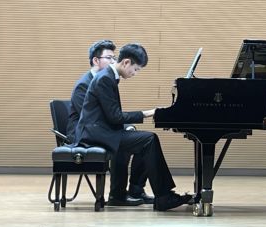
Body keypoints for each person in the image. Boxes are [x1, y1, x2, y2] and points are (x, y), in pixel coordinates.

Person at [75, 42, 191, 212]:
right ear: (126, 62)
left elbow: (112, 115)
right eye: (135, 69)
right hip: (96, 134)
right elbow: (115, 117)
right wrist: (149, 113)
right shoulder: (105, 78)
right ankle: (164, 196)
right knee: (149, 140)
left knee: (144, 140)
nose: (134, 73)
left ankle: (142, 192)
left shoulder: (108, 76)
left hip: (102, 130)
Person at [66, 39, 151, 207]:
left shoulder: (106, 79)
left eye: (114, 58)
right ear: (96, 60)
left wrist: (127, 127)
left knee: (135, 139)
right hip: (83, 133)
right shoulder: (85, 84)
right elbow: (91, 118)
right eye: (109, 58)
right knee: (126, 142)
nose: (114, 61)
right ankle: (118, 193)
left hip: (99, 128)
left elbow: (107, 115)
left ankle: (134, 190)